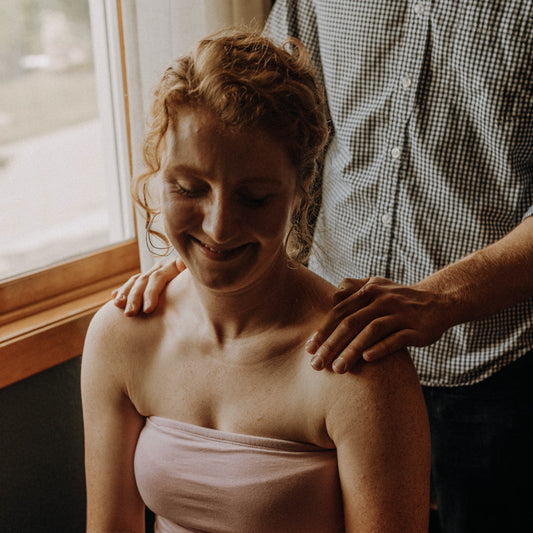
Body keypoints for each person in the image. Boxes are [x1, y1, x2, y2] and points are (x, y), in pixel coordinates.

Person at [114, 3, 533, 532]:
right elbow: (257, 120)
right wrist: (200, 255)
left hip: (487, 365)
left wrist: (444, 298)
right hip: (325, 358)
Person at [82, 30, 430, 533]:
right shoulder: (122, 335)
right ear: (157, 175)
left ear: (301, 190)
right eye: (188, 188)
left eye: (255, 197)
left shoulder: (358, 365)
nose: (219, 227)